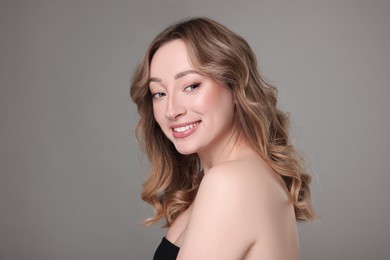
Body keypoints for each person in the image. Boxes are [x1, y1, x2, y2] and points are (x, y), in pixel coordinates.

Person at [130, 17, 315, 260]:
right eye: (159, 93)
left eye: (191, 86)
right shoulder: (231, 178)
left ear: (235, 87)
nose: (171, 110)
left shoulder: (230, 183)